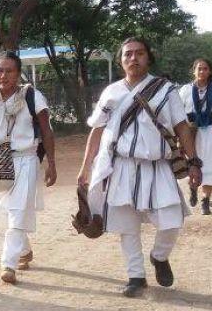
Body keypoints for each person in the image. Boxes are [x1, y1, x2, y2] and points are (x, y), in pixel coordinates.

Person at [78, 37, 203, 297]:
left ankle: (159, 256)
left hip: (158, 166)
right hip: (122, 166)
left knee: (171, 221)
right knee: (126, 225)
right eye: (128, 54)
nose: (133, 58)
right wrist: (85, 167)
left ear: (148, 57)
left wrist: (193, 161)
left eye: (139, 53)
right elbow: (97, 131)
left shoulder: (166, 90)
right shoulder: (111, 92)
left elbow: (181, 126)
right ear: (121, 60)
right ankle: (136, 276)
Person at [0, 51, 57, 284]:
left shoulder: (32, 97)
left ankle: (8, 264)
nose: (4, 75)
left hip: (25, 160)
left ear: (18, 73)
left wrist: (52, 163)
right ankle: (24, 251)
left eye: (9, 70)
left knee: (17, 210)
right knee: (4, 213)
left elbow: (46, 130)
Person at [178, 58, 212, 214]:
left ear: (210, 71)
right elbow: (178, 112)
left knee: (210, 166)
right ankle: (193, 188)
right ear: (194, 71)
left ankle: (205, 200)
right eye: (199, 69)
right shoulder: (185, 90)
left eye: (205, 69)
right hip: (191, 132)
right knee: (194, 163)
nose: (202, 72)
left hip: (211, 131)